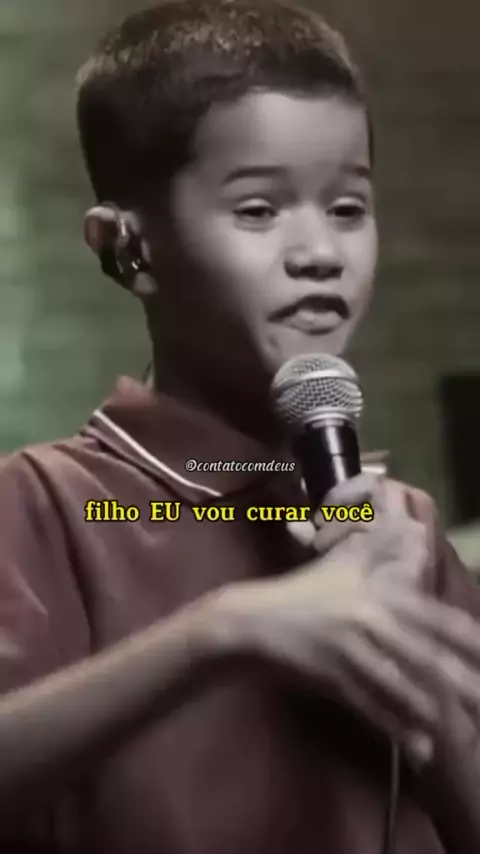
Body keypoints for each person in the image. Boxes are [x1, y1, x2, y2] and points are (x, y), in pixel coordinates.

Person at [1, 1, 480, 852]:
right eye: (258, 210)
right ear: (126, 249)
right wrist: (224, 632)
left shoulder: (397, 527)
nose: (320, 252)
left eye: (348, 208)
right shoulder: (45, 505)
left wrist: (432, 702)